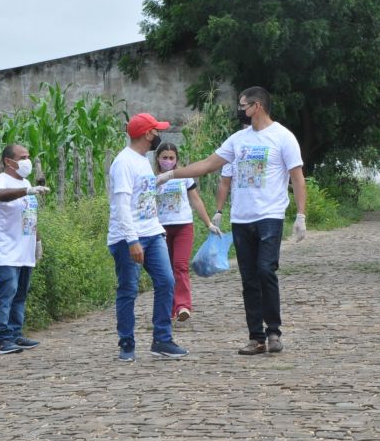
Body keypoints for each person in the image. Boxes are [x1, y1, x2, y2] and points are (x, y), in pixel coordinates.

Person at [157, 86, 306, 356]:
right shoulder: (238, 139)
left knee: (265, 270)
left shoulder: (283, 137)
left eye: (243, 105)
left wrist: (301, 214)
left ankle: (273, 331)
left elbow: (297, 176)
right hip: (241, 218)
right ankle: (256, 337)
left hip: (270, 216)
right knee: (249, 278)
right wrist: (172, 175)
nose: (240, 109)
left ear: (257, 106)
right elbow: (209, 164)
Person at [107, 113, 188, 361]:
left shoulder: (143, 160)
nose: (158, 135)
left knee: (166, 281)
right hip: (128, 237)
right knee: (128, 289)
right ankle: (127, 343)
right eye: (156, 131)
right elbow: (121, 205)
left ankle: (162, 339)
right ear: (146, 134)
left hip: (153, 233)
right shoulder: (124, 163)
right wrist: (132, 240)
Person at [0, 144, 50, 354]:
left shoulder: (26, 183)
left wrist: (37, 241)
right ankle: (1, 339)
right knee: (7, 291)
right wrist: (27, 191)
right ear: (8, 161)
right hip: (5, 249)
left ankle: (15, 334)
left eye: (28, 157)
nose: (27, 161)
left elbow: (29, 216)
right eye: (22, 157)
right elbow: (0, 195)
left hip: (25, 250)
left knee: (20, 294)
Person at [154, 141, 221, 322]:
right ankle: (168, 307)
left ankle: (183, 305)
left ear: (176, 159)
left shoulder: (184, 177)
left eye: (171, 158)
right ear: (158, 158)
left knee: (180, 265)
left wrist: (208, 223)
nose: (168, 161)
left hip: (183, 226)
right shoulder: (153, 178)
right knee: (165, 270)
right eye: (164, 157)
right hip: (160, 229)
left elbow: (195, 200)